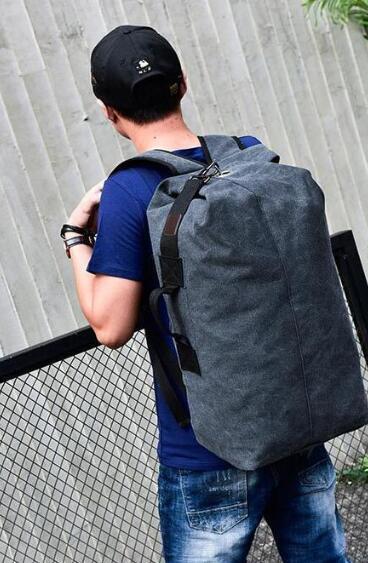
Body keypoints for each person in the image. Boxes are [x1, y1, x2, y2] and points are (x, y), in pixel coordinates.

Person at [62, 25, 350, 562]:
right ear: (183, 83)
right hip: (295, 423)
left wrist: (76, 237)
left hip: (206, 452)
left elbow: (110, 325)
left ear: (108, 111)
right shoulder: (248, 155)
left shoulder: (132, 188)